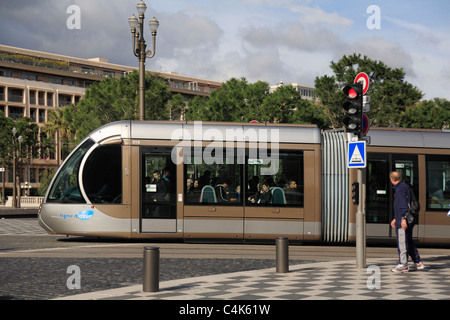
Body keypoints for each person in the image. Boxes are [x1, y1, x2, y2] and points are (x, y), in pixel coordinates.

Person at [389, 171, 424, 273]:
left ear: (392, 179)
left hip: (404, 220)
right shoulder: (404, 186)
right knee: (408, 240)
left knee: (402, 242)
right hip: (405, 218)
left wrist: (403, 218)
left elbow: (403, 205)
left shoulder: (399, 189)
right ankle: (417, 262)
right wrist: (396, 218)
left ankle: (403, 265)